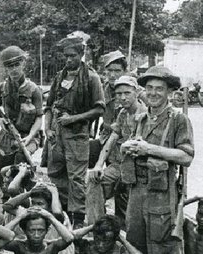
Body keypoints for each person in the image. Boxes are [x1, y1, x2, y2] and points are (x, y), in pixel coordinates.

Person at [120, 65, 194, 254]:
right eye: (149, 88)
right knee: (135, 247)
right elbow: (131, 145)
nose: (153, 93)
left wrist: (151, 149)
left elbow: (186, 156)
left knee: (165, 251)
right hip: (138, 190)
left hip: (163, 193)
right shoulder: (140, 118)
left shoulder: (178, 120)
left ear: (170, 93)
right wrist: (127, 147)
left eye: (159, 89)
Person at [45, 37, 105, 228]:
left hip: (78, 135)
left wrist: (74, 118)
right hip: (57, 134)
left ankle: (77, 219)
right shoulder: (60, 76)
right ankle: (59, 214)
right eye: (66, 56)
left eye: (73, 56)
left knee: (76, 179)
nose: (69, 59)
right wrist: (47, 128)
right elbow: (49, 106)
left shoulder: (91, 78)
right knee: (56, 174)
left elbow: (99, 109)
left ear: (82, 55)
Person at [88, 75, 147, 226]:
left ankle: (127, 229)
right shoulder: (123, 113)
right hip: (119, 165)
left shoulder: (144, 114)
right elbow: (111, 140)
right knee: (94, 181)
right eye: (119, 94)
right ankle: (99, 226)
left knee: (129, 202)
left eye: (127, 93)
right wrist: (98, 165)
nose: (123, 97)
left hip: (138, 168)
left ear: (136, 92)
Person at [0, 46, 43, 201]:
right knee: (4, 171)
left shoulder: (33, 90)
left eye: (16, 65)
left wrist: (30, 137)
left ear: (23, 64)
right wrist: (0, 120)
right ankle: (7, 202)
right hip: (7, 139)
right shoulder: (2, 88)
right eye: (9, 66)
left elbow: (39, 118)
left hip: (28, 137)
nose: (13, 69)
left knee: (22, 166)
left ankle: (24, 199)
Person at [97, 50, 127, 142]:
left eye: (117, 71)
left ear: (124, 72)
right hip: (105, 137)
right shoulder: (101, 89)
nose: (112, 75)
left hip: (125, 139)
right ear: (105, 71)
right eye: (109, 70)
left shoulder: (133, 89)